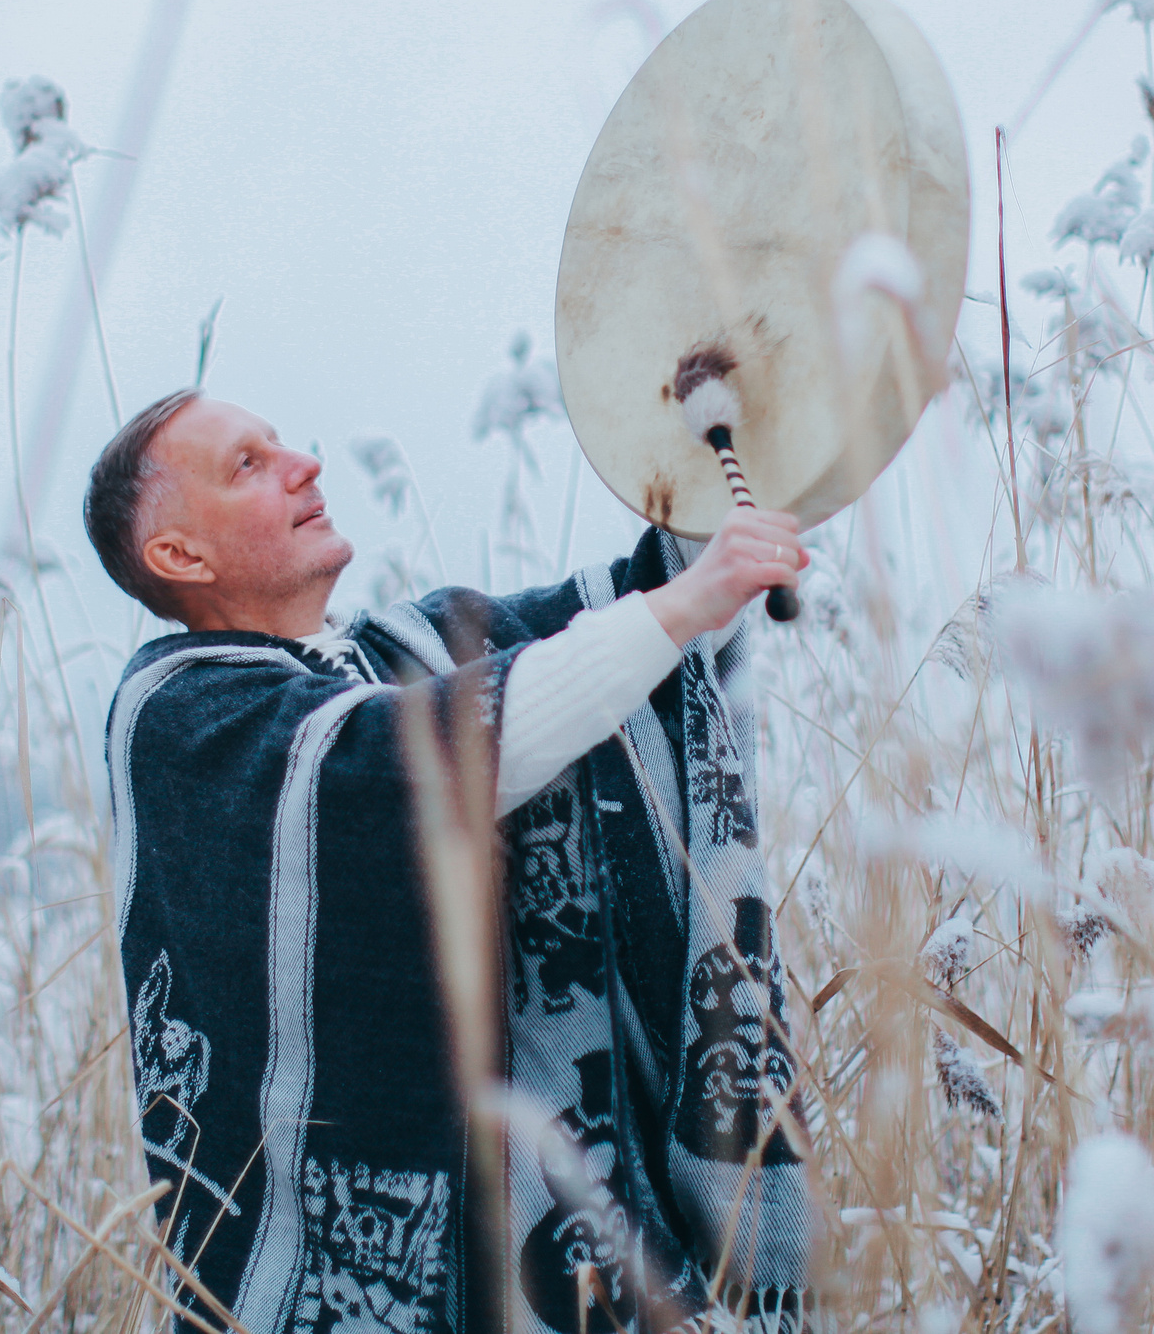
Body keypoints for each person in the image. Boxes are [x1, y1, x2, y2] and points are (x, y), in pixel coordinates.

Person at [86, 389, 812, 1334]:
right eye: (248, 466)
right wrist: (685, 602)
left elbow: (595, 624)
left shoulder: (398, 656)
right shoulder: (179, 716)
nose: (303, 462)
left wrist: (711, 513)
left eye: (281, 441)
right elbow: (418, 757)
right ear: (180, 556)